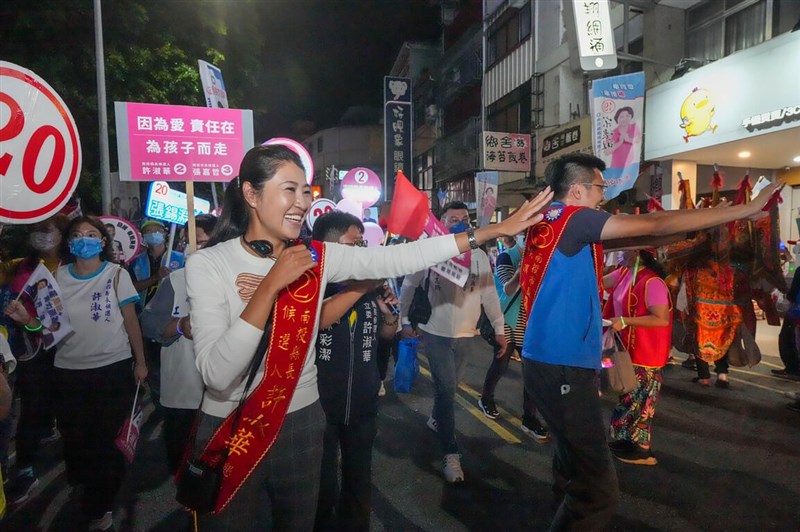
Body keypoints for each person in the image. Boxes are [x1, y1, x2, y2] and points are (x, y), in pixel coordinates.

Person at [183, 145, 552, 530]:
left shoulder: (317, 256)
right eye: (288, 190)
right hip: (233, 425)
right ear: (252, 194)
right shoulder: (207, 264)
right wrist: (270, 286)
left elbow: (396, 259)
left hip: (301, 421)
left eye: (305, 191)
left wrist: (488, 232)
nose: (301, 202)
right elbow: (217, 374)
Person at [518, 152, 781, 530]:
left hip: (549, 361)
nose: (604, 196)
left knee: (571, 469)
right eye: (599, 188)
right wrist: (745, 208)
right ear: (577, 190)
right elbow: (656, 222)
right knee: (597, 491)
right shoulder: (574, 218)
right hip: (562, 365)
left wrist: (702, 226)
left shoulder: (553, 222)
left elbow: (651, 232)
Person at [4, 215, 147, 531]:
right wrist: (26, 318)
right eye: (78, 234)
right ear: (68, 243)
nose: (85, 239)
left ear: (103, 241)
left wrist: (141, 362)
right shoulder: (54, 279)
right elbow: (45, 330)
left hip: (113, 371)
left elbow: (131, 322)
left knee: (107, 445)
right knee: (78, 443)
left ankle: (100, 505)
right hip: (68, 374)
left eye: (92, 234)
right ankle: (88, 483)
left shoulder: (116, 275)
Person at [398, 201, 506, 483]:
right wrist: (404, 321)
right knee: (446, 390)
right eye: (452, 218)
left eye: (463, 218)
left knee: (450, 389)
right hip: (436, 333)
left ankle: (437, 419)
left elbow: (489, 294)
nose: (459, 222)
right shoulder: (431, 252)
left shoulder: (479, 256)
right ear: (441, 222)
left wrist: (499, 328)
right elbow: (409, 286)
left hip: (466, 334)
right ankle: (451, 453)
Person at [311, 211, 398, 531]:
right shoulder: (310, 287)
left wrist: (389, 316)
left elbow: (386, 335)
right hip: (317, 405)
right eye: (354, 242)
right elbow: (315, 322)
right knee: (321, 487)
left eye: (363, 242)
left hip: (362, 403)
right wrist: (363, 287)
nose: (362, 248)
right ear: (330, 246)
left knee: (359, 482)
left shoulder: (372, 287)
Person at [140, 214, 217, 475]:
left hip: (223, 397)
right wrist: (179, 326)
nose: (193, 250)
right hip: (182, 395)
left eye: (202, 242)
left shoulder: (238, 279)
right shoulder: (175, 280)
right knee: (182, 464)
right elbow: (148, 323)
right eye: (188, 243)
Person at [0, 214, 68, 506]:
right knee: (32, 407)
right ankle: (24, 469)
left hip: (70, 349)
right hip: (31, 352)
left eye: (47, 229)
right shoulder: (19, 267)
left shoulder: (74, 268)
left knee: (65, 405)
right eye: (36, 230)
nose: (41, 235)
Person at [478, 234, 550, 442]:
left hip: (530, 322)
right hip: (507, 319)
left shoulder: (541, 259)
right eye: (528, 235)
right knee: (500, 363)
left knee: (532, 372)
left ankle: (529, 418)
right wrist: (523, 269)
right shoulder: (506, 258)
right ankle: (486, 398)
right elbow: (509, 289)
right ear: (520, 237)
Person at [603, 249, 672, 465]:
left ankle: (643, 450)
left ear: (639, 252)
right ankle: (627, 441)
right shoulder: (624, 273)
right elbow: (598, 281)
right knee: (628, 396)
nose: (621, 253)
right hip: (628, 350)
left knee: (643, 401)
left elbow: (661, 319)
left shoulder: (652, 282)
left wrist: (625, 320)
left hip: (647, 351)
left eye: (626, 249)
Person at [131, 219, 183, 413]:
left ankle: (176, 402)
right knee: (153, 365)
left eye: (157, 230)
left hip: (173, 319)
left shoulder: (181, 257)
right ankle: (160, 405)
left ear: (165, 233)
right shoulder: (137, 262)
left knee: (174, 364)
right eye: (148, 231)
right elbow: (133, 288)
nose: (153, 233)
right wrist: (155, 278)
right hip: (147, 320)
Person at [775, 265, 800, 380]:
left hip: (796, 313)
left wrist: (786, 296)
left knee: (788, 339)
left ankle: (793, 369)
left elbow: (793, 293)